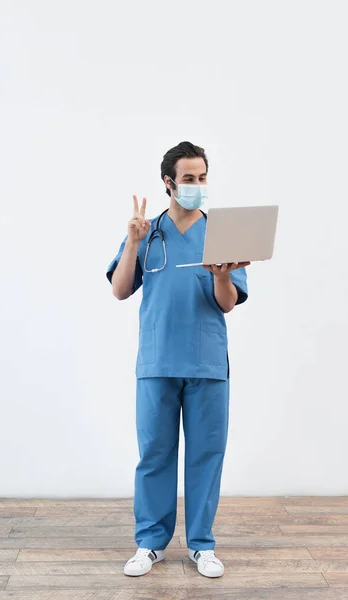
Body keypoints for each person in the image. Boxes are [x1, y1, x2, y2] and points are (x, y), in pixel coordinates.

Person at [106, 141, 249, 578]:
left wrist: (222, 276)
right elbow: (120, 289)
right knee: (155, 454)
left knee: (207, 453)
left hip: (206, 361)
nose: (197, 186)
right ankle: (150, 543)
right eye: (189, 179)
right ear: (169, 182)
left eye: (202, 177)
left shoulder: (223, 232)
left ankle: (202, 545)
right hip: (157, 361)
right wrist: (132, 243)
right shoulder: (146, 231)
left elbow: (227, 303)